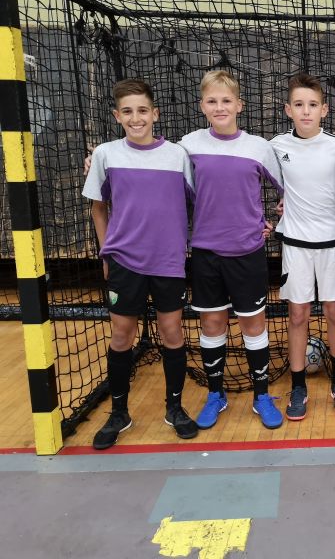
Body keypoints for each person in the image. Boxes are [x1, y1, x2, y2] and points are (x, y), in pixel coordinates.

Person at [82, 78, 197, 450]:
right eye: (128, 112)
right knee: (121, 335)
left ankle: (174, 408)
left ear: (155, 114)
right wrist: (107, 253)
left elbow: (197, 201)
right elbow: (98, 208)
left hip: (167, 261)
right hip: (124, 262)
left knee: (172, 331)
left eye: (143, 110)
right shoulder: (106, 155)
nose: (136, 118)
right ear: (117, 116)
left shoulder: (178, 156)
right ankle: (119, 413)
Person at [181, 70, 286, 430]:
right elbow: (162, 172)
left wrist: (276, 222)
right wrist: (97, 158)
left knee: (253, 324)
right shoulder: (188, 145)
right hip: (206, 252)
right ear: (202, 106)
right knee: (212, 323)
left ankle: (261, 396)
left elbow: (288, 189)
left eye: (226, 100)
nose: (220, 107)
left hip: (247, 251)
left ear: (239, 105)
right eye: (212, 101)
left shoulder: (258, 147)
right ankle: (216, 394)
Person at [270, 73, 335, 421]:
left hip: (332, 242)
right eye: (299, 105)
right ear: (288, 109)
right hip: (295, 244)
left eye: (313, 105)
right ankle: (298, 385)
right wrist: (280, 202)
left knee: (334, 313)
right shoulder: (275, 146)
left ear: (324, 110)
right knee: (298, 315)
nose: (306, 111)